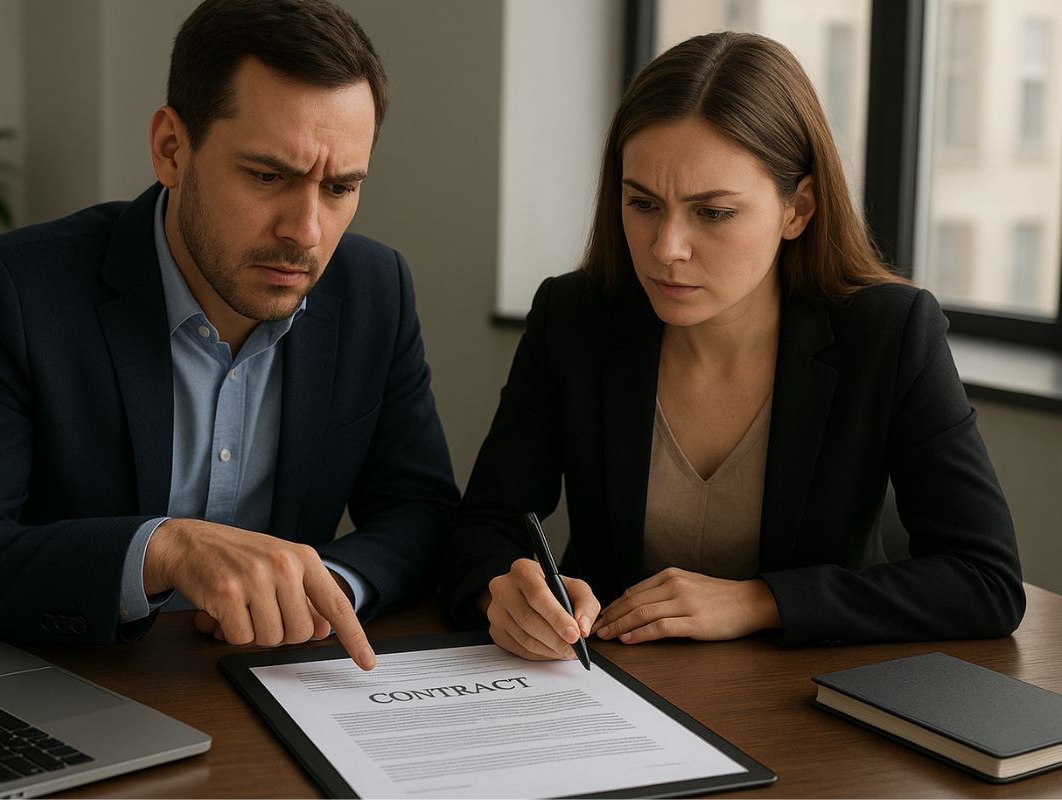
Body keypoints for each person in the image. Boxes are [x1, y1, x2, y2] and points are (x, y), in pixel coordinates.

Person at [0, 0, 458, 671]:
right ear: (171, 148)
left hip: (279, 687)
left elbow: (422, 513)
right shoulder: (15, 290)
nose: (306, 231)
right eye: (268, 176)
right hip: (75, 690)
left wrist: (324, 589)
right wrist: (162, 551)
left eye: (339, 187)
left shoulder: (374, 290)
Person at [439, 31, 1025, 662]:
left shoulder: (891, 332)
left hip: (805, 708)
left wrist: (759, 601)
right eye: (641, 203)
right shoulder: (574, 318)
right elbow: (482, 529)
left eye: (713, 212)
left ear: (797, 209)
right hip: (606, 692)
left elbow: (985, 580)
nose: (667, 248)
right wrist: (502, 592)